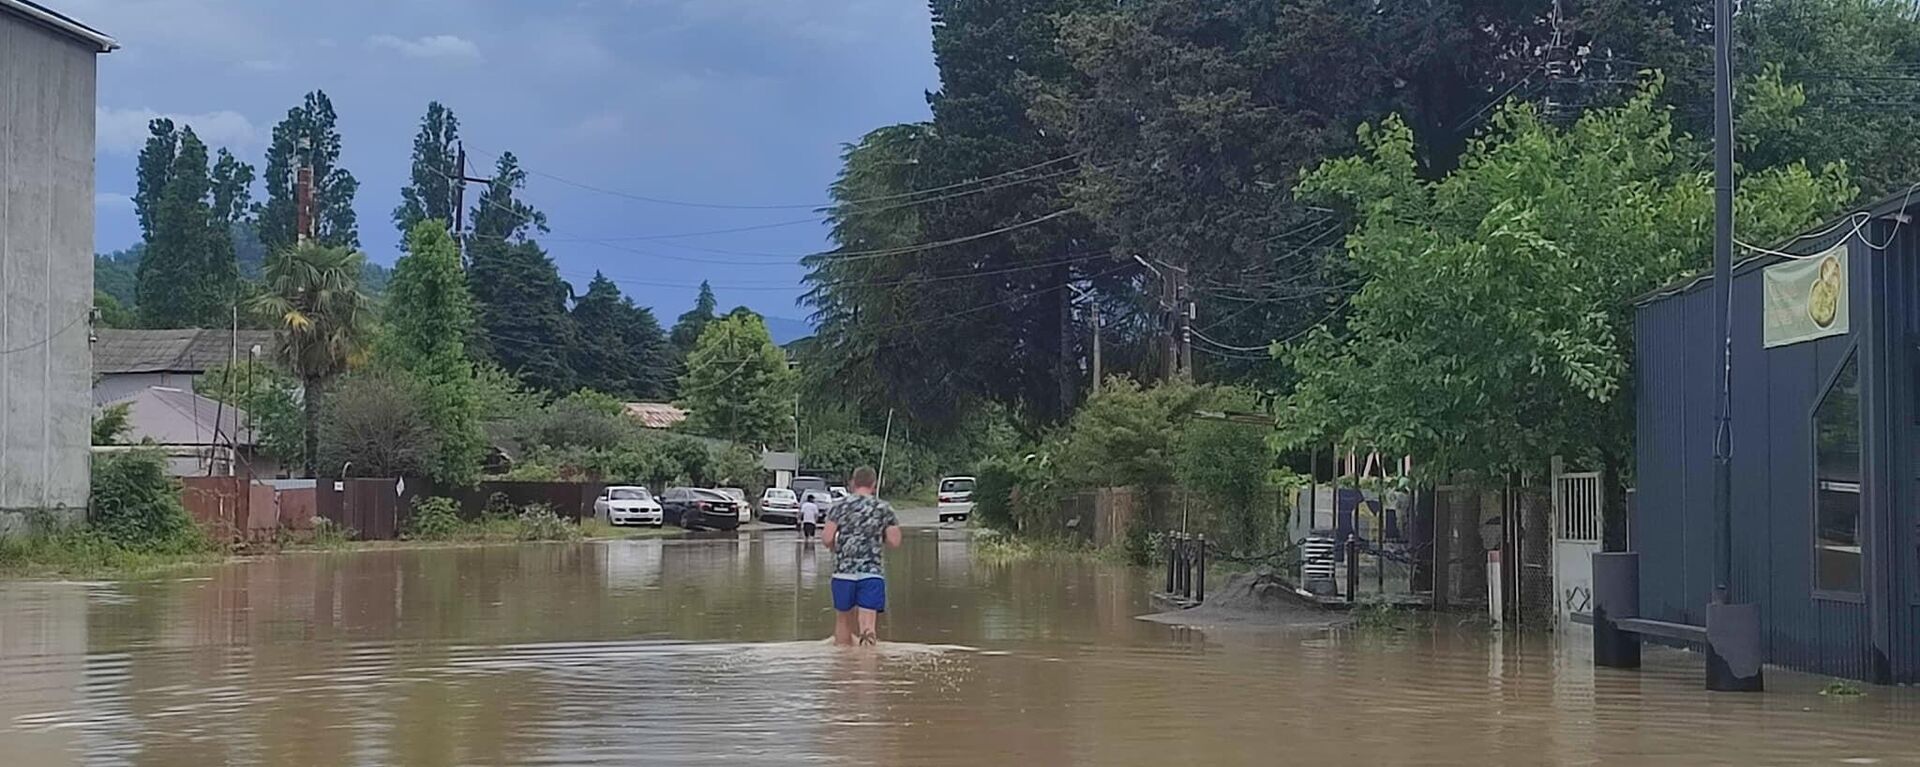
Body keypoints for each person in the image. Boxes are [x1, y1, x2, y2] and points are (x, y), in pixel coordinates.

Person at [823, 466, 901, 647]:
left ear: (852, 483)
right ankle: (867, 666)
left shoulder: (839, 506)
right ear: (874, 484)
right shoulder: (883, 508)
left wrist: (837, 548)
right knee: (868, 624)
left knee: (843, 621)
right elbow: (895, 542)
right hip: (871, 573)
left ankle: (843, 664)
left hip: (843, 573)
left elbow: (827, 538)